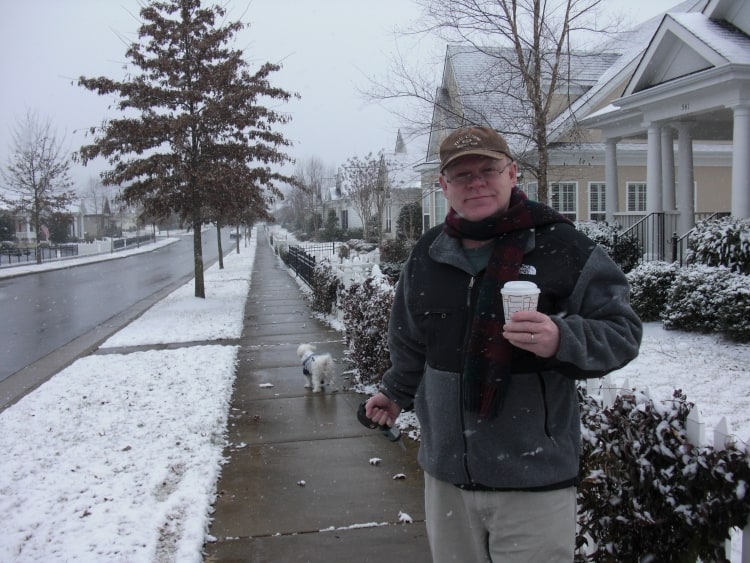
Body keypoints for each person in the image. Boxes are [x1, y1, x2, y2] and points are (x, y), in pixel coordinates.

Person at [365, 126, 642, 562]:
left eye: (488, 169)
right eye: (461, 174)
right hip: (448, 477)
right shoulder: (428, 254)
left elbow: (622, 332)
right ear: (444, 186)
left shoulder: (561, 246)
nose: (476, 182)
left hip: (533, 478)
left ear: (513, 174)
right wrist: (395, 392)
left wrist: (560, 338)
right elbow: (411, 342)